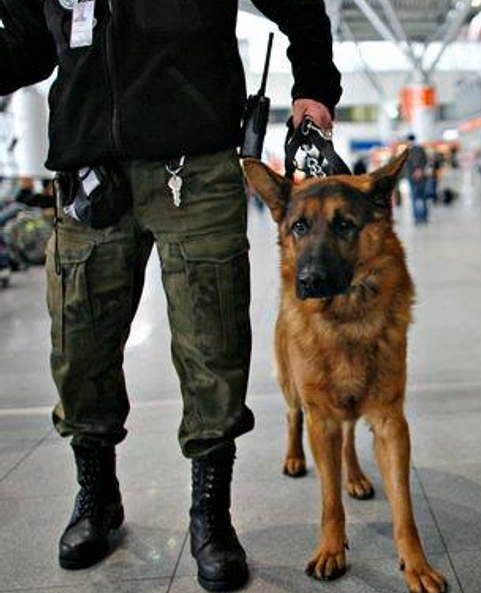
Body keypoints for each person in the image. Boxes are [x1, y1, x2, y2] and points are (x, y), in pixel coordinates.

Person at [0, 2, 341, 591]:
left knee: (213, 343)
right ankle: (97, 496)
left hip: (195, 163)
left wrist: (315, 83)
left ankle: (211, 514)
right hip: (88, 175)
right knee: (78, 345)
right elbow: (31, 46)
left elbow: (301, 7)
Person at [404, 135, 429, 224]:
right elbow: (425, 161)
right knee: (422, 197)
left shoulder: (408, 151)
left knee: (416, 198)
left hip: (413, 178)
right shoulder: (420, 149)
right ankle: (423, 217)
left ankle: (418, 218)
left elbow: (406, 166)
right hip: (420, 177)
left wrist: (414, 173)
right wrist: (420, 170)